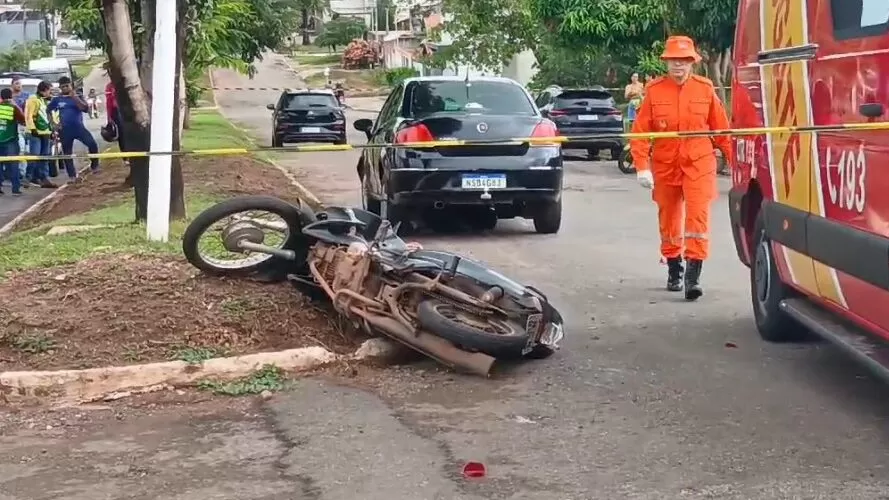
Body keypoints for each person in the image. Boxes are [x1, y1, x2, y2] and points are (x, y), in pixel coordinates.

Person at [628, 36, 732, 301]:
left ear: (692, 63)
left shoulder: (705, 89)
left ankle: (693, 278)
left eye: (684, 61)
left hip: (699, 163)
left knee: (697, 219)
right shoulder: (654, 90)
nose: (679, 66)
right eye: (674, 60)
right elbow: (640, 133)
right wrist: (642, 167)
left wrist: (736, 163)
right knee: (669, 218)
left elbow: (723, 132)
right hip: (665, 165)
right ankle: (674, 267)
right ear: (667, 62)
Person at [47, 76, 99, 181]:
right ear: (60, 88)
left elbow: (85, 109)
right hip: (65, 130)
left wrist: (74, 97)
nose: (65, 88)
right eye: (63, 87)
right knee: (67, 153)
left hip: (78, 127)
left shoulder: (78, 96)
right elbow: (48, 110)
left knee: (92, 144)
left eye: (67, 86)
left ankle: (94, 165)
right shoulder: (57, 99)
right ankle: (72, 176)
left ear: (71, 85)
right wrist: (53, 124)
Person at [24, 81, 56, 188]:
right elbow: (28, 115)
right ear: (44, 90)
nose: (50, 93)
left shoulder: (46, 101)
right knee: (34, 155)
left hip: (46, 131)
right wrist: (32, 129)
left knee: (45, 157)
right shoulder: (33, 99)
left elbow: (49, 117)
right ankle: (28, 177)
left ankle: (44, 178)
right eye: (49, 90)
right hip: (35, 133)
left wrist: (52, 130)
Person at [0, 88, 26, 195]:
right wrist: (15, 104)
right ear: (11, 96)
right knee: (14, 163)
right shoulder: (13, 108)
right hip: (11, 139)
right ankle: (15, 189)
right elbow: (23, 120)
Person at [11, 76, 30, 185]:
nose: (19, 86)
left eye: (20, 84)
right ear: (12, 85)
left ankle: (26, 174)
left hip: (26, 125)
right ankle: (21, 174)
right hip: (14, 126)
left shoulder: (27, 96)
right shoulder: (8, 97)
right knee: (20, 149)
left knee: (27, 150)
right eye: (17, 84)